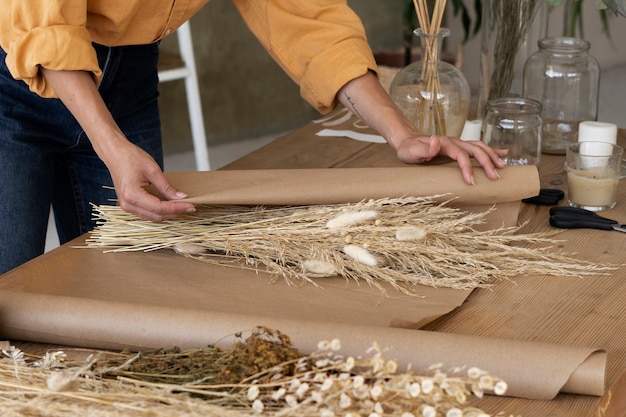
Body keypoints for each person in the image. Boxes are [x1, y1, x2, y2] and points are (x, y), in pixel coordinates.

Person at [0, 1, 506, 274]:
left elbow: (310, 20)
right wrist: (111, 146)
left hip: (127, 73)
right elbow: (41, 25)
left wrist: (403, 134)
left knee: (133, 280)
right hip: (14, 76)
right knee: (9, 289)